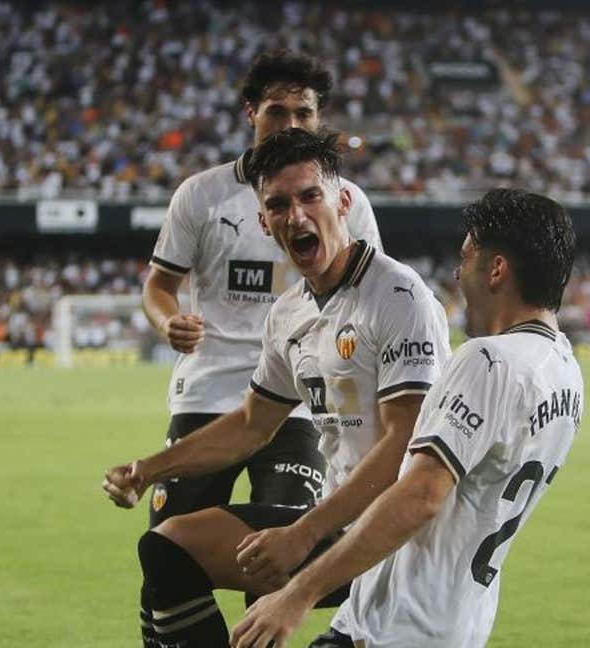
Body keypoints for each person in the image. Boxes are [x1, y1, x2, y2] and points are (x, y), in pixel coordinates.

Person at [103, 128, 449, 647]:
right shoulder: (289, 312)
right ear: (265, 222)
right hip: (340, 520)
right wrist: (148, 469)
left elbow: (403, 445)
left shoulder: (399, 297)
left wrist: (303, 534)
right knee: (167, 547)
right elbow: (251, 424)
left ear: (344, 201)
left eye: (311, 196)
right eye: (279, 205)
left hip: (398, 531)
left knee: (260, 586)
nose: (297, 216)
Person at [231, 188, 583, 648]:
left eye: (467, 257)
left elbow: (421, 495)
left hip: (394, 628)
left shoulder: (487, 361)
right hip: (457, 624)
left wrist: (298, 594)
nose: (458, 273)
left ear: (497, 270)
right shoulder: (565, 373)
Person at [142, 49, 381, 531]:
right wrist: (168, 321)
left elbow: (371, 297)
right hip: (209, 394)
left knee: (282, 556)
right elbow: (159, 286)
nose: (291, 123)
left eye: (304, 113)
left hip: (301, 401)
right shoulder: (201, 195)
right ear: (251, 112)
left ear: (318, 119)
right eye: (277, 111)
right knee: (168, 553)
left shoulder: (348, 202)